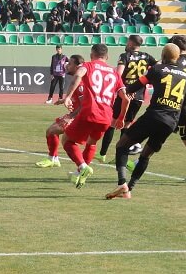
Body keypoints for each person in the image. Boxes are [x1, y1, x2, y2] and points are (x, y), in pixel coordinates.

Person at [107, 43, 186, 200]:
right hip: (171, 121)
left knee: (122, 145)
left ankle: (122, 183)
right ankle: (130, 189)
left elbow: (134, 86)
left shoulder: (157, 69)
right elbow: (185, 102)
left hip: (154, 115)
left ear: (163, 56)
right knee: (146, 155)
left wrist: (128, 91)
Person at [55, 42, 120, 187]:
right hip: (107, 116)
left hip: (90, 112)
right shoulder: (114, 71)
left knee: (67, 140)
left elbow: (78, 75)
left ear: (91, 55)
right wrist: (121, 117)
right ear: (107, 56)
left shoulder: (88, 66)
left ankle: (82, 167)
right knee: (92, 143)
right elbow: (125, 96)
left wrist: (67, 96)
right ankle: (80, 174)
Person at [98, 34, 156, 163]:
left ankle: (102, 154)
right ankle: (120, 157)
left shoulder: (125, 56)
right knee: (126, 126)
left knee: (112, 123)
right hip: (139, 96)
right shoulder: (147, 56)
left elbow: (118, 74)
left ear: (130, 43)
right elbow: (158, 67)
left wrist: (125, 89)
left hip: (125, 93)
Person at [36, 55, 85, 168]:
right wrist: (64, 100)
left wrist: (72, 116)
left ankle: (56, 159)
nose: (67, 65)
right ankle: (55, 158)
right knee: (51, 131)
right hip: (75, 115)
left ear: (77, 67)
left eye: (70, 64)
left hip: (78, 117)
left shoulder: (80, 83)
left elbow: (85, 103)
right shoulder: (77, 80)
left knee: (53, 132)